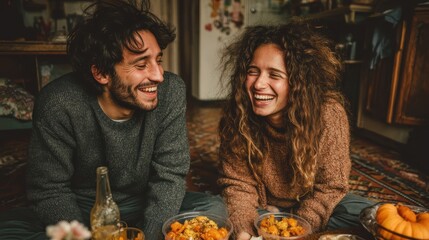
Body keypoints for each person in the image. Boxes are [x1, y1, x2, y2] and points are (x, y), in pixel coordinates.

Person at [0, 1, 226, 239]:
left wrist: (147, 236)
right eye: (141, 64)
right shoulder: (58, 103)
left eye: (158, 60)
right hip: (83, 207)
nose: (159, 76)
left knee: (215, 210)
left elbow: (170, 177)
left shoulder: (171, 91)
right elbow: (49, 190)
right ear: (101, 73)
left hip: (143, 200)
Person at [217, 19, 374, 239]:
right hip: (262, 206)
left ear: (298, 83)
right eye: (253, 71)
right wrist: (245, 231)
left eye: (274, 75)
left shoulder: (329, 114)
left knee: (369, 214)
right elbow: (238, 184)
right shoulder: (238, 113)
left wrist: (297, 228)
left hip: (310, 205)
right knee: (214, 210)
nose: (258, 84)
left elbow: (331, 187)